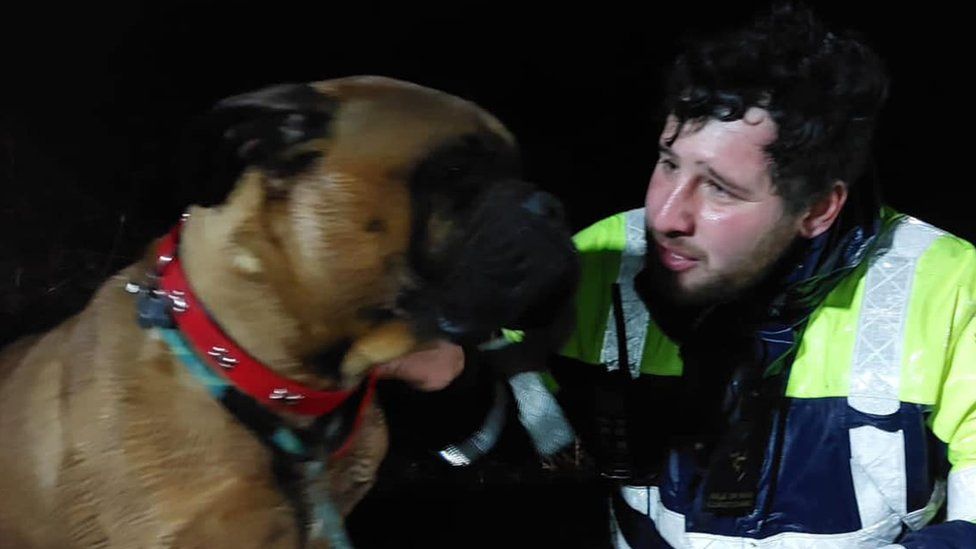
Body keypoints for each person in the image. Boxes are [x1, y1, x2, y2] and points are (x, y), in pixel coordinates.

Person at [385, 3, 976, 546]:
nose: (666, 216)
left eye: (720, 189)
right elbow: (520, 442)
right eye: (669, 164)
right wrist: (451, 377)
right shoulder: (602, 259)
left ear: (818, 209)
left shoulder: (951, 286)